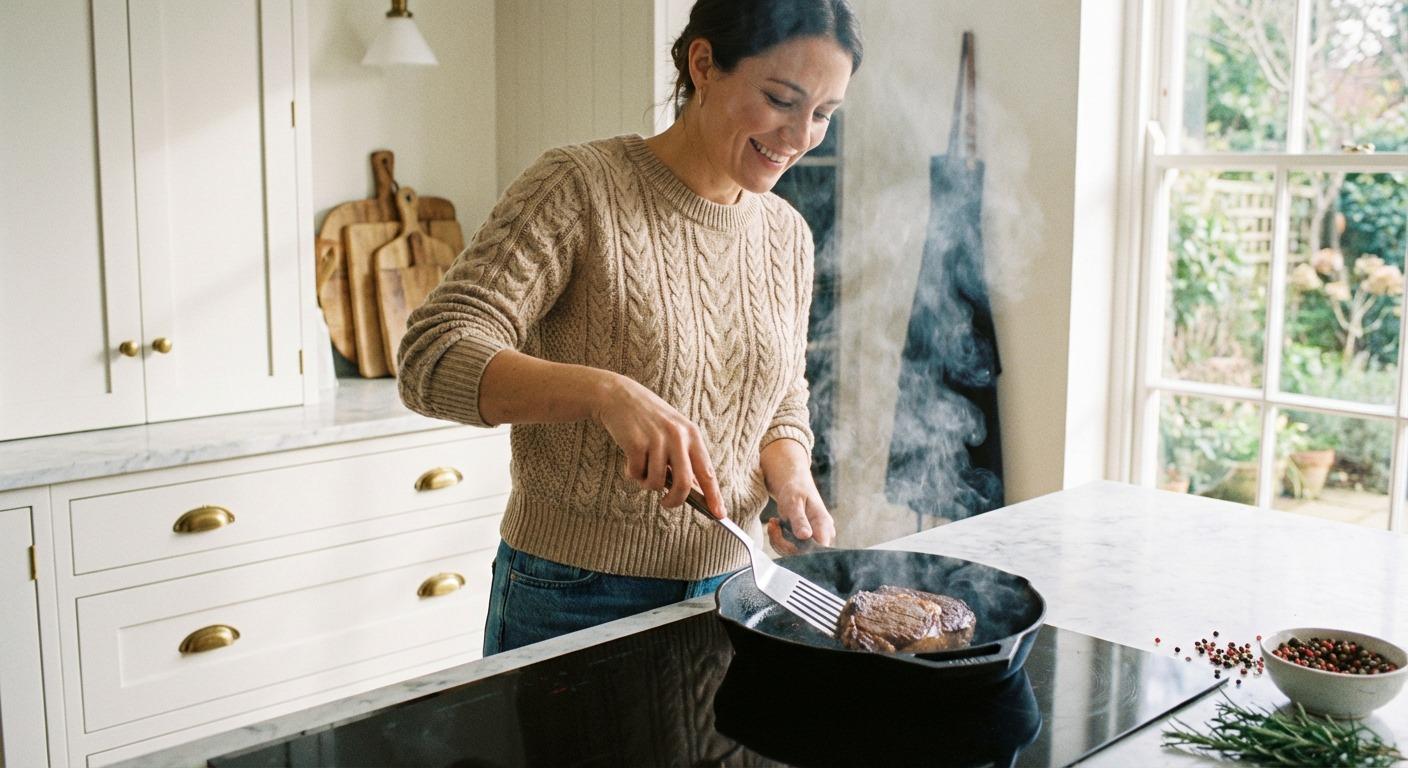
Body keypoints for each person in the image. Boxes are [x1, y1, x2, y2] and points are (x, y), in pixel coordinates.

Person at [397, 0, 863, 656]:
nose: (799, 136)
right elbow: (430, 356)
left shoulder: (787, 235)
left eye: (823, 114)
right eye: (781, 99)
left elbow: (782, 397)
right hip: (575, 594)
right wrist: (606, 393)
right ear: (704, 64)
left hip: (734, 584)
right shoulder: (579, 189)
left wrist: (790, 476)